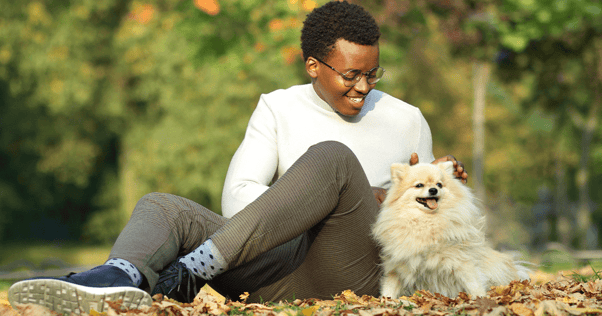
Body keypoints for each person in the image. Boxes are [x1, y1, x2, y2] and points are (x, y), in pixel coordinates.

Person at [8, 1, 468, 314]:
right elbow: (238, 198)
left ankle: (186, 275)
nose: (364, 87)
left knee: (332, 158)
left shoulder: (407, 119)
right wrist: (309, 205)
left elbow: (426, 238)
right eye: (351, 74)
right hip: (278, 270)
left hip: (359, 267)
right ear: (313, 65)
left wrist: (439, 190)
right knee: (162, 206)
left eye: (373, 73)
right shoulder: (278, 106)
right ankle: (117, 279)